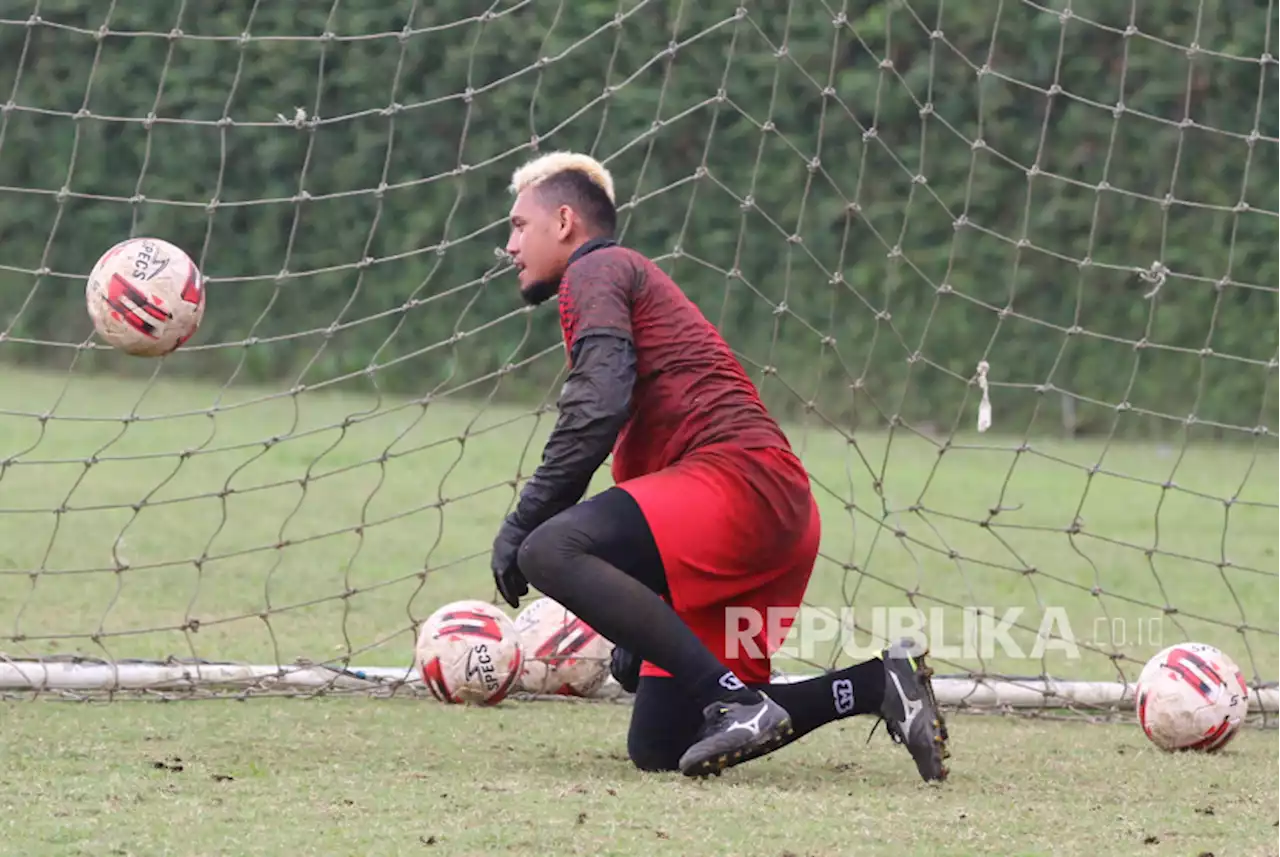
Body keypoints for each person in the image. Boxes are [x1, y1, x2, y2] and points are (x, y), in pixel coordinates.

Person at [488, 150, 949, 781]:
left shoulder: (597, 269)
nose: (509, 245)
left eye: (518, 226)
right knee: (661, 747)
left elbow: (598, 406)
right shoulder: (616, 279)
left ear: (564, 221)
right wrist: (640, 616)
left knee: (549, 551)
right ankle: (876, 685)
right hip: (766, 509)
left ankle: (732, 699)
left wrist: (523, 523)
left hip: (740, 485)